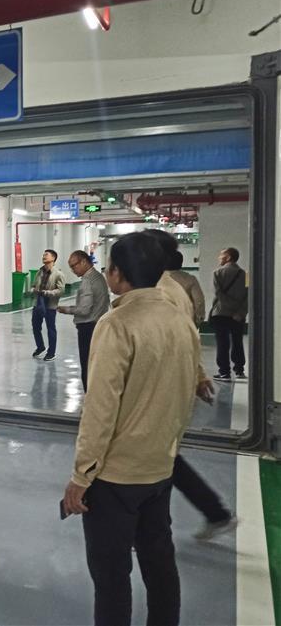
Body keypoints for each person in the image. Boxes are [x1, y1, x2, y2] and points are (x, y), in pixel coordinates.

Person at [63, 232, 200, 626]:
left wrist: (81, 476)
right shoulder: (181, 319)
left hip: (115, 477)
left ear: (118, 274)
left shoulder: (117, 324)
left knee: (111, 578)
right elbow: (185, 394)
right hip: (159, 468)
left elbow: (100, 409)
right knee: (159, 563)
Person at [144, 229, 237, 540]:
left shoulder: (162, 291)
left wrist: (195, 373)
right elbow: (188, 334)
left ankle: (207, 515)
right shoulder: (169, 287)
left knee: (157, 457)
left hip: (162, 386)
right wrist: (197, 373)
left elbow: (177, 338)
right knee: (162, 456)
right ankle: (211, 513)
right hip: (172, 383)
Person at [57, 250, 110, 392]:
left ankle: (89, 396)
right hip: (98, 325)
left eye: (74, 266)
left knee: (87, 365)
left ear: (84, 262)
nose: (73, 270)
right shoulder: (99, 277)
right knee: (95, 364)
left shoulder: (87, 281)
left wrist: (66, 309)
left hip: (88, 328)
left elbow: (84, 309)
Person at [210, 247, 248, 381]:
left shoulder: (217, 273)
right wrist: (240, 312)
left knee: (222, 343)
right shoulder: (246, 275)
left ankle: (224, 372)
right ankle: (239, 370)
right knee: (238, 342)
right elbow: (248, 296)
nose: (219, 258)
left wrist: (229, 308)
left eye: (222, 255)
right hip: (238, 315)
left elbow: (219, 294)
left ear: (228, 257)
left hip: (221, 313)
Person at [31, 249, 65, 361]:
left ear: (53, 258)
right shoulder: (39, 272)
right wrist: (33, 289)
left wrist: (47, 293)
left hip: (50, 305)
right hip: (38, 303)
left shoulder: (58, 274)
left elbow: (61, 290)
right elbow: (34, 285)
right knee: (36, 327)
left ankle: (51, 353)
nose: (44, 256)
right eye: (43, 255)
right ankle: (40, 347)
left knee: (51, 329)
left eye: (46, 255)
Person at [167, 251, 206, 326]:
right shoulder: (190, 279)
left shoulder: (156, 279)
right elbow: (199, 300)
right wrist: (199, 318)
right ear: (181, 263)